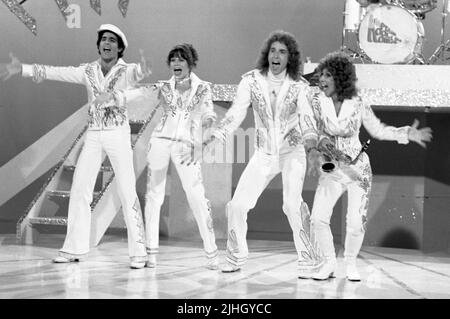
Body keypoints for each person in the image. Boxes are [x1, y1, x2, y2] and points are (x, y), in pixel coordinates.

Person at [0, 24, 151, 269]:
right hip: (93, 135)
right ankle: (74, 249)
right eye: (103, 39)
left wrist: (143, 69)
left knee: (126, 190)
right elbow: (58, 72)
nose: (107, 43)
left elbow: (139, 74)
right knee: (80, 189)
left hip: (117, 135)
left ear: (120, 47)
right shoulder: (88, 70)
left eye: (112, 40)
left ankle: (139, 252)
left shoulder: (126, 70)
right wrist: (24, 69)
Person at [193, 30, 322, 277]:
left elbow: (307, 121)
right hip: (264, 154)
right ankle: (236, 255)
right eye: (273, 50)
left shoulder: (300, 86)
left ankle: (308, 258)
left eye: (282, 52)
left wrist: (312, 147)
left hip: (292, 152)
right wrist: (214, 137)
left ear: (290, 57)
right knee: (237, 205)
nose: (276, 55)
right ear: (267, 54)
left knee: (291, 205)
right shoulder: (250, 81)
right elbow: (235, 115)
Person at [301, 51, 432, 281]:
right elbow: (311, 129)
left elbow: (379, 130)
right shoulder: (316, 100)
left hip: (357, 170)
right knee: (318, 218)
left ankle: (350, 263)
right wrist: (314, 148)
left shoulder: (358, 101)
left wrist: (406, 133)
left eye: (327, 76)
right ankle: (329, 262)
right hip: (332, 168)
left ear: (340, 78)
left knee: (354, 224)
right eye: (320, 76)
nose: (321, 80)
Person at [102, 44, 219, 270]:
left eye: (181, 60)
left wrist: (208, 120)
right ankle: (150, 252)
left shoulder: (202, 88)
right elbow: (138, 93)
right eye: (173, 59)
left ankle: (212, 252)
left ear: (190, 63)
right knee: (154, 196)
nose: (176, 63)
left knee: (196, 197)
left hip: (186, 146)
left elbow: (208, 110)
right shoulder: (164, 87)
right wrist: (114, 96)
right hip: (160, 143)